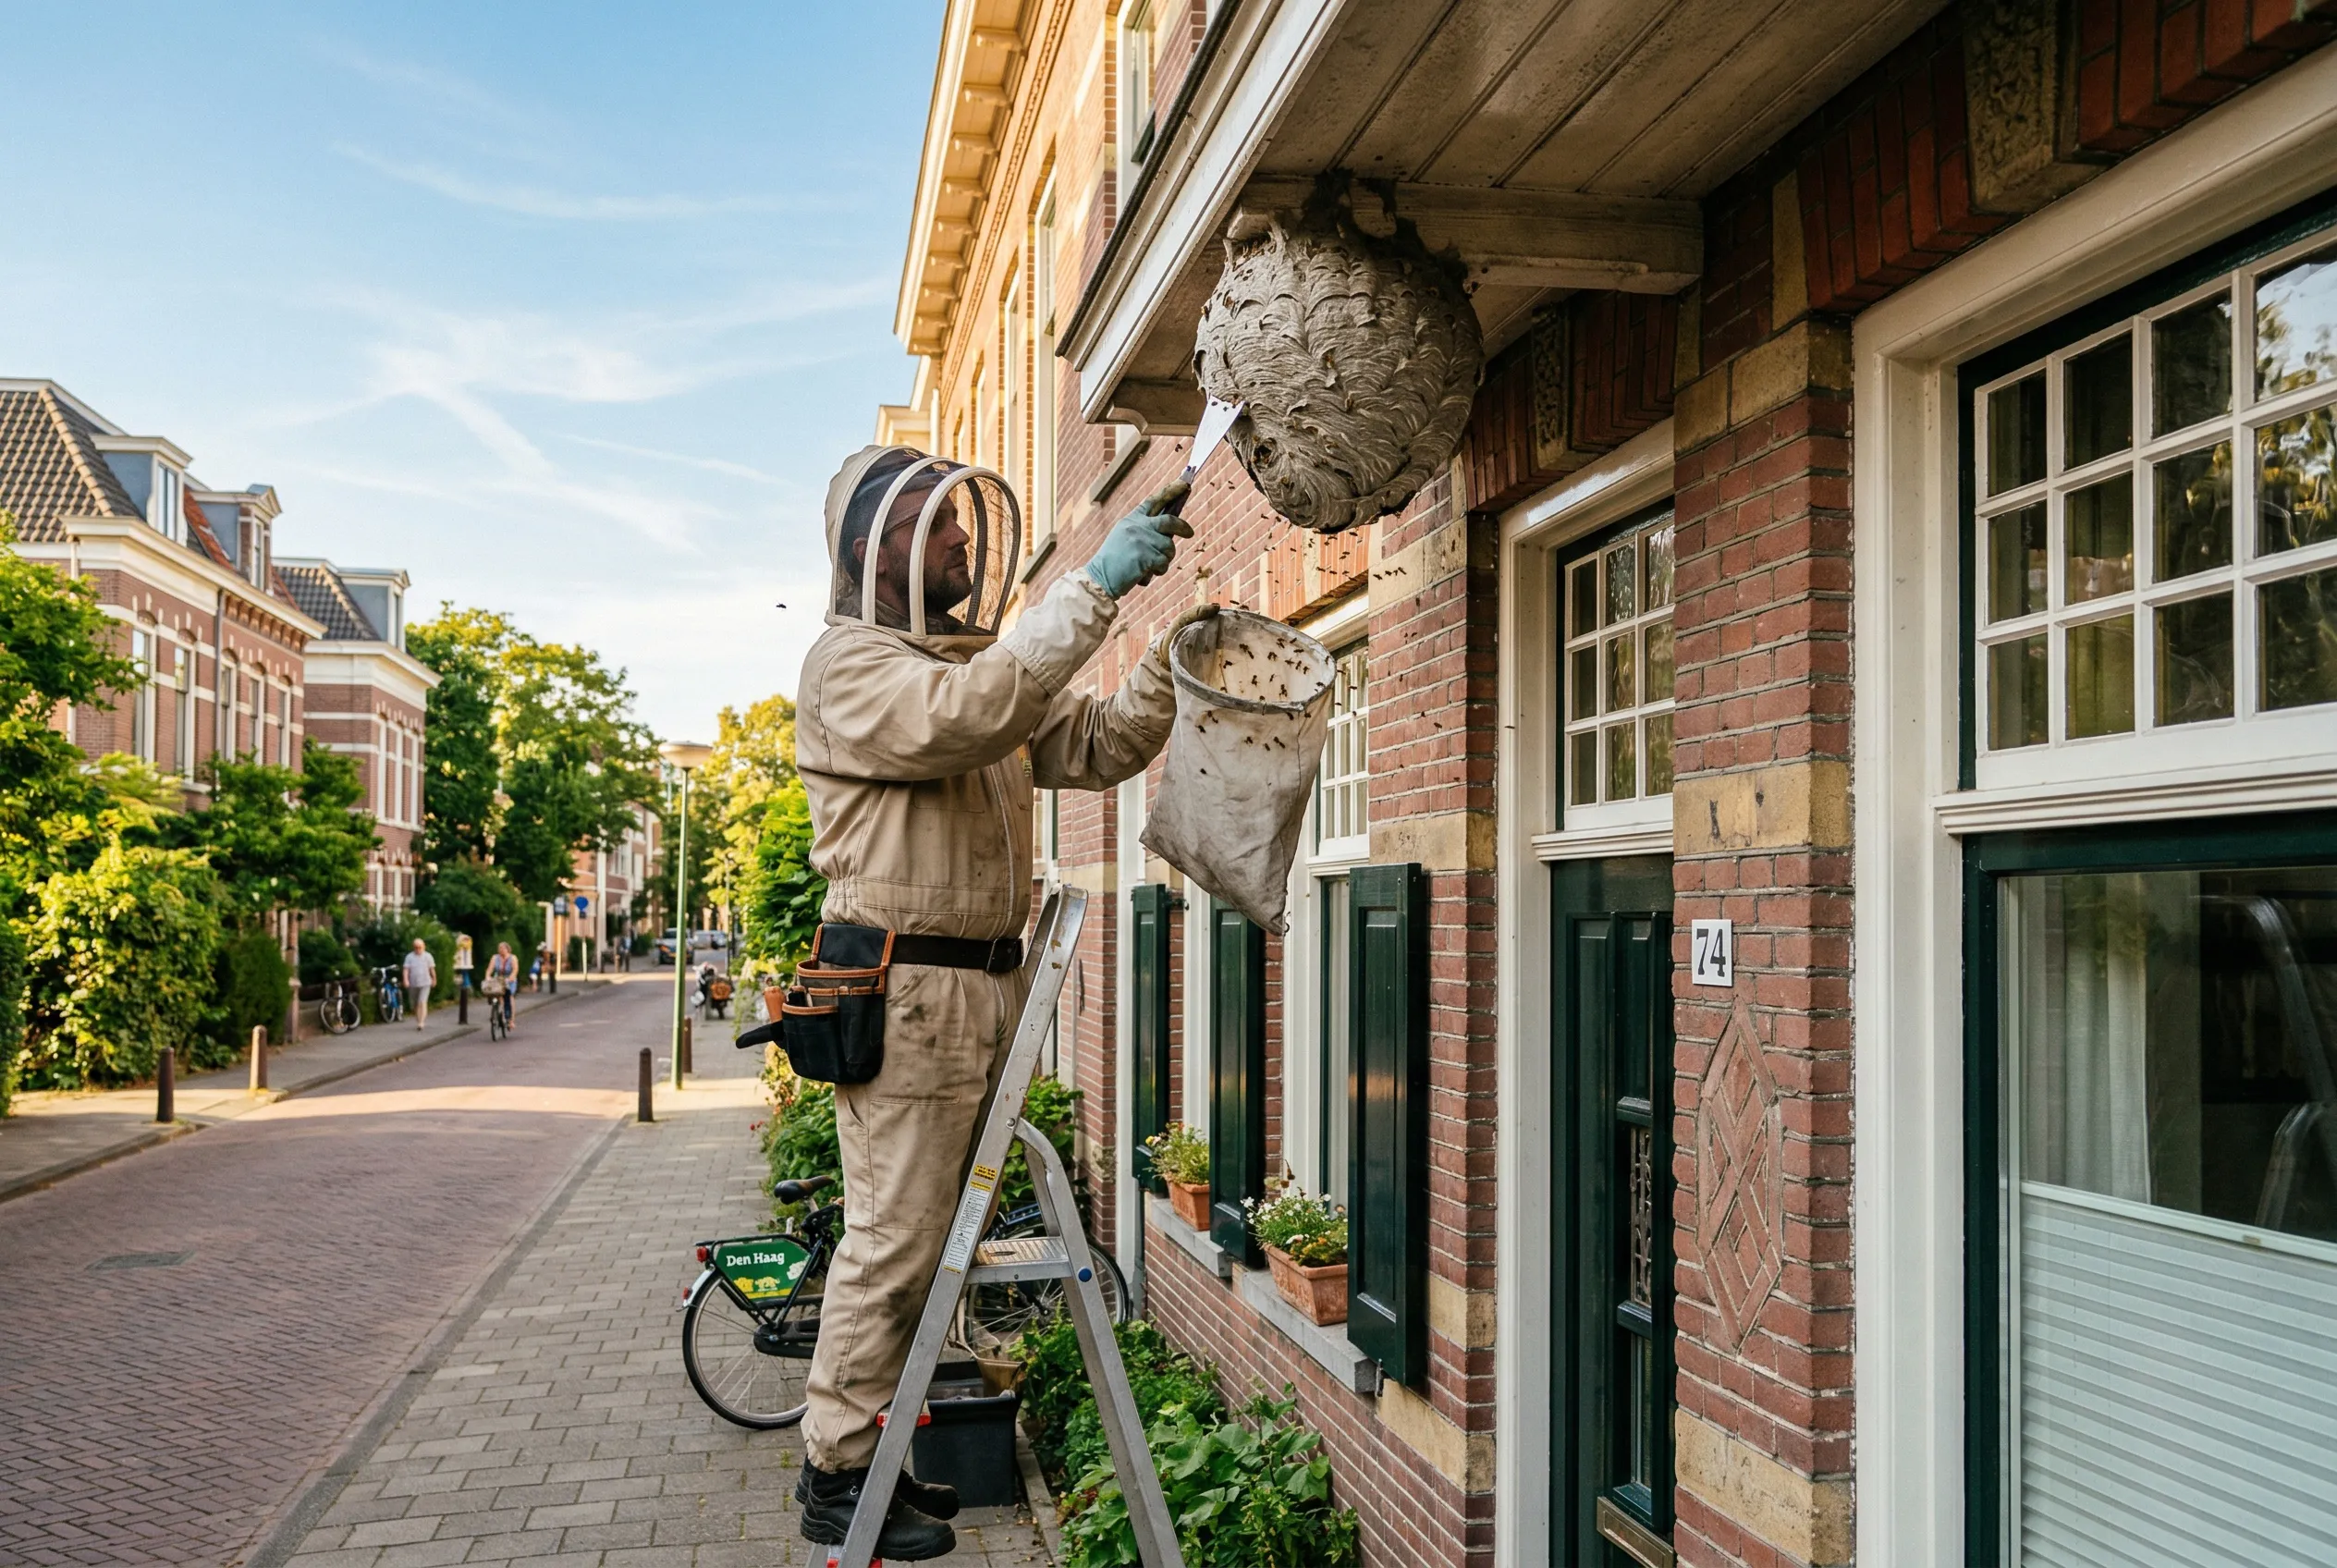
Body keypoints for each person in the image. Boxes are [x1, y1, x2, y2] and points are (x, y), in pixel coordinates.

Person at [784, 444, 1207, 1560]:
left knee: (937, 1241)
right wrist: (1094, 584)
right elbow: (964, 718)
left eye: (962, 520)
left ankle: (880, 1452)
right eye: (936, 523)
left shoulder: (979, 668)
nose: (962, 540)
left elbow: (1096, 744)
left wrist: (1170, 660)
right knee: (894, 1237)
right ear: (875, 549)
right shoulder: (851, 669)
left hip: (982, 982)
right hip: (907, 989)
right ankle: (835, 1470)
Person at [402, 938, 436, 1031]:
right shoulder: (409, 957)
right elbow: (406, 969)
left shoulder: (428, 956)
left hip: (425, 982)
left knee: (422, 1002)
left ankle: (421, 1022)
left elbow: (432, 969)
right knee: (415, 1004)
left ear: (424, 947)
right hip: (413, 983)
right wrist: (405, 980)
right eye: (416, 947)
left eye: (419, 947)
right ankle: (418, 1020)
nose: (418, 949)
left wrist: (434, 979)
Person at [485, 942, 520, 1033]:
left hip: (509, 980)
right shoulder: (495, 958)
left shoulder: (513, 958)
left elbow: (515, 970)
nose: (501, 950)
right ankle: (497, 1012)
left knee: (510, 997)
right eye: (499, 948)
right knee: (496, 994)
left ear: (507, 949)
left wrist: (510, 978)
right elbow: (490, 969)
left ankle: (510, 1020)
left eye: (503, 948)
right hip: (498, 979)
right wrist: (488, 977)